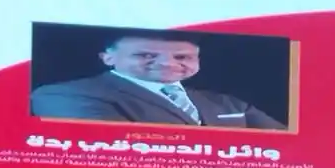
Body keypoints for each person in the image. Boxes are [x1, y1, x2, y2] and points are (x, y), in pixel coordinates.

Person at [30, 29, 286, 129]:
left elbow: (286, 147)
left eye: (182, 57)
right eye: (146, 55)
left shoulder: (228, 103)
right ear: (108, 58)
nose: (167, 64)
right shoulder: (63, 95)